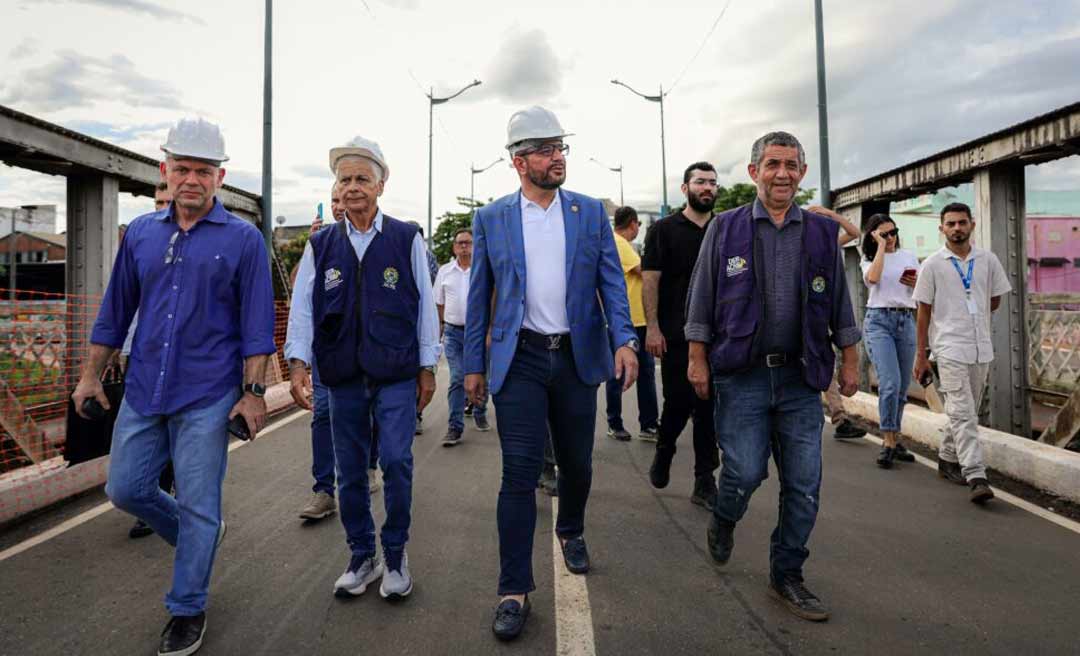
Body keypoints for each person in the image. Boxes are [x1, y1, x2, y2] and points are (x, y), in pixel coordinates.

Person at [73, 117, 276, 656]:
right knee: (126, 489)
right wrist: (91, 373)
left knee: (201, 504)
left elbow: (258, 324)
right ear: (165, 170)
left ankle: (187, 608)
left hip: (207, 395)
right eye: (181, 168)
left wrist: (253, 394)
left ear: (219, 176)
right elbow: (115, 311)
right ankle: (198, 536)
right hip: (143, 389)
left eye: (203, 170)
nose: (191, 179)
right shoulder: (141, 233)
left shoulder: (244, 240)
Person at [464, 106, 638, 641]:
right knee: (517, 475)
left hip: (575, 358)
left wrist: (625, 339)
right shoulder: (492, 218)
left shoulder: (588, 213)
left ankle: (571, 528)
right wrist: (473, 364)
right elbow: (479, 299)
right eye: (545, 150)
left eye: (560, 147)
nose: (557, 157)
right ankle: (513, 589)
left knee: (577, 466)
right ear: (519, 162)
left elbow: (611, 281)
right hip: (518, 358)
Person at [685, 131, 861, 622]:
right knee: (742, 472)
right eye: (772, 164)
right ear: (754, 172)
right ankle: (724, 517)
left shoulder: (822, 234)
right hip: (741, 376)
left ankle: (787, 574)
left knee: (804, 485)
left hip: (801, 379)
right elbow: (701, 296)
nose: (782, 173)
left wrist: (849, 360)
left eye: (790, 165)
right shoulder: (726, 227)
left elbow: (841, 302)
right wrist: (696, 358)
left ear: (802, 174)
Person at [286, 137, 440, 602]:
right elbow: (303, 309)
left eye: (361, 179)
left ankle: (395, 553)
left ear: (381, 185)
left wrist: (427, 365)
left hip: (394, 372)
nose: (352, 188)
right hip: (342, 375)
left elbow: (425, 309)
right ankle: (361, 555)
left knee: (395, 461)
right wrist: (297, 362)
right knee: (349, 473)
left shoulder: (405, 237)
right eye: (344, 179)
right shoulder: (321, 245)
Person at [913, 202, 1010, 504]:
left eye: (962, 223)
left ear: (972, 225)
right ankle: (976, 475)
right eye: (951, 223)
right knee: (965, 413)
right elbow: (923, 312)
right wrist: (921, 354)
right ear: (941, 228)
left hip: (981, 348)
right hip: (949, 346)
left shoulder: (988, 260)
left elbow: (993, 301)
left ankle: (946, 458)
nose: (957, 228)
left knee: (964, 411)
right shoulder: (932, 265)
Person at [642, 162, 721, 509]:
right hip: (676, 333)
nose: (707, 188)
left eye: (712, 183)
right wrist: (653, 328)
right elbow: (650, 280)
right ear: (685, 188)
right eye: (700, 182)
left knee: (709, 408)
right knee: (678, 402)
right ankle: (665, 449)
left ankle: (705, 480)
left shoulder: (724, 228)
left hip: (719, 336)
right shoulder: (663, 230)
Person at [125, 181, 177, 540]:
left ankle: (175, 503)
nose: (161, 207)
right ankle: (152, 498)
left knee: (176, 433)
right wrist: (121, 349)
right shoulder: (141, 239)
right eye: (157, 201)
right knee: (147, 435)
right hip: (141, 358)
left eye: (166, 202)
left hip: (181, 362)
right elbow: (127, 302)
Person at [804, 204, 871, 441]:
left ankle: (839, 415)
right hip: (814, 310)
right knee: (822, 361)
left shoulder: (829, 244)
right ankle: (839, 415)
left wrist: (832, 216)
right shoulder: (801, 246)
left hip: (834, 307)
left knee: (827, 360)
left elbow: (855, 234)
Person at [859, 214, 920, 468]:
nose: (891, 237)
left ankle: (895, 437)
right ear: (874, 236)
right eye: (884, 234)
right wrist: (882, 247)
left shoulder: (908, 257)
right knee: (890, 382)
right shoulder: (868, 260)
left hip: (905, 320)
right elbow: (872, 280)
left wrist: (917, 283)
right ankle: (887, 441)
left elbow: (920, 292)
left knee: (902, 386)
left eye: (893, 232)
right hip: (879, 321)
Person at [604, 206, 659, 442]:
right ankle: (615, 422)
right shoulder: (619, 243)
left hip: (638, 319)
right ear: (634, 224)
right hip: (626, 321)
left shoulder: (619, 243)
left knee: (645, 372)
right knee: (618, 372)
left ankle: (648, 424)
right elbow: (644, 271)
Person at [434, 227, 491, 446]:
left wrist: (489, 330)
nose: (464, 246)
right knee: (457, 377)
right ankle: (455, 427)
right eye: (460, 243)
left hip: (478, 333)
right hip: (453, 332)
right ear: (454, 247)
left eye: (468, 242)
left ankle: (480, 411)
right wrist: (439, 329)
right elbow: (439, 303)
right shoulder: (445, 272)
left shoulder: (483, 271)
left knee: (481, 376)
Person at [407, 221, 439, 435]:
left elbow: (432, 290)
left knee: (421, 371)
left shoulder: (429, 259)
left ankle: (416, 414)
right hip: (403, 323)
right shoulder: (394, 252)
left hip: (423, 321)